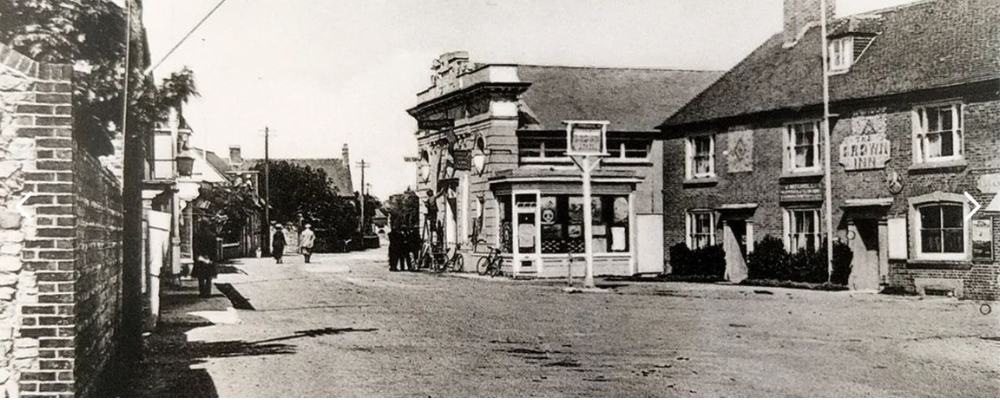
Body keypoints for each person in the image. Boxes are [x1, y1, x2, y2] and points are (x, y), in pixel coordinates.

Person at [191, 228, 218, 298]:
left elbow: (195, 247)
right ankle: (208, 293)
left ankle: (202, 292)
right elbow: (214, 248)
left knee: (201, 276)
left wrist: (197, 256)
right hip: (209, 258)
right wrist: (212, 258)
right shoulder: (212, 235)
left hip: (200, 257)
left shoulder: (197, 235)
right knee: (209, 277)